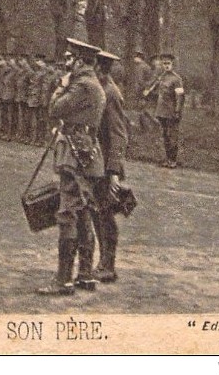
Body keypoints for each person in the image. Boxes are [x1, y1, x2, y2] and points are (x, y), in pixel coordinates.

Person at [38, 38, 106, 296]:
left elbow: (55, 109)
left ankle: (63, 280)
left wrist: (61, 87)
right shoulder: (93, 83)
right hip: (87, 151)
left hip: (75, 154)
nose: (66, 62)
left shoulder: (80, 85)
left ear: (79, 60)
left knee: (68, 213)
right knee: (84, 211)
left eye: (69, 58)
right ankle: (85, 275)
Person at [91, 50, 129, 284]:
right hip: (98, 163)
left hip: (106, 165)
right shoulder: (99, 90)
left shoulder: (111, 93)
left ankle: (108, 265)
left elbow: (118, 134)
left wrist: (114, 171)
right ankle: (104, 262)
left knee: (105, 214)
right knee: (98, 212)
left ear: (100, 68)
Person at [143, 53, 185, 168]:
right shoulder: (162, 77)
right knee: (165, 136)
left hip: (172, 112)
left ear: (172, 64)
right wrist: (148, 91)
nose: (166, 66)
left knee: (172, 136)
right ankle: (167, 159)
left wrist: (177, 111)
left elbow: (180, 97)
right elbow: (155, 88)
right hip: (162, 111)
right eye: (164, 63)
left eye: (168, 63)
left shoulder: (176, 79)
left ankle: (173, 160)